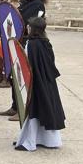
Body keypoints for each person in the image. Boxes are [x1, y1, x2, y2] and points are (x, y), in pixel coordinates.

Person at [15, 17, 65, 151]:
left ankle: (30, 143)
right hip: (47, 82)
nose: (28, 28)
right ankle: (48, 141)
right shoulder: (46, 42)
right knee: (45, 109)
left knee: (35, 111)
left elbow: (28, 65)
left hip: (37, 83)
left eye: (29, 26)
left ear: (33, 29)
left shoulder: (31, 44)